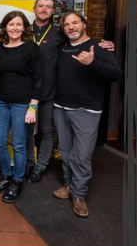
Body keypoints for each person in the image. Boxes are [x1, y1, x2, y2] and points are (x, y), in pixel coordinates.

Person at [25, 0, 115, 184]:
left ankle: (40, 167)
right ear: (34, 8)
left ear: (52, 12)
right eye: (40, 6)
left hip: (50, 92)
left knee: (47, 131)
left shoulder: (60, 34)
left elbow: (83, 42)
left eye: (48, 7)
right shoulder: (24, 31)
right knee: (26, 130)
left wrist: (102, 45)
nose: (44, 9)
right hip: (26, 91)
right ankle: (28, 163)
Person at [52, 11, 121, 218]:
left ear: (84, 24)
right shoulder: (62, 47)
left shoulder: (97, 46)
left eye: (75, 22)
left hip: (86, 110)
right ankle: (68, 185)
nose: (71, 27)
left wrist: (93, 63)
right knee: (65, 151)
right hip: (61, 107)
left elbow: (115, 74)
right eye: (66, 24)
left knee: (81, 155)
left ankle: (79, 194)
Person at [0, 11, 44, 203]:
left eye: (18, 24)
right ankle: (6, 175)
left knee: (19, 144)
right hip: (0, 102)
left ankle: (18, 181)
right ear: (5, 27)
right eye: (11, 24)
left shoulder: (32, 49)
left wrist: (33, 107)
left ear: (24, 27)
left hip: (23, 104)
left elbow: (39, 79)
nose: (14, 28)